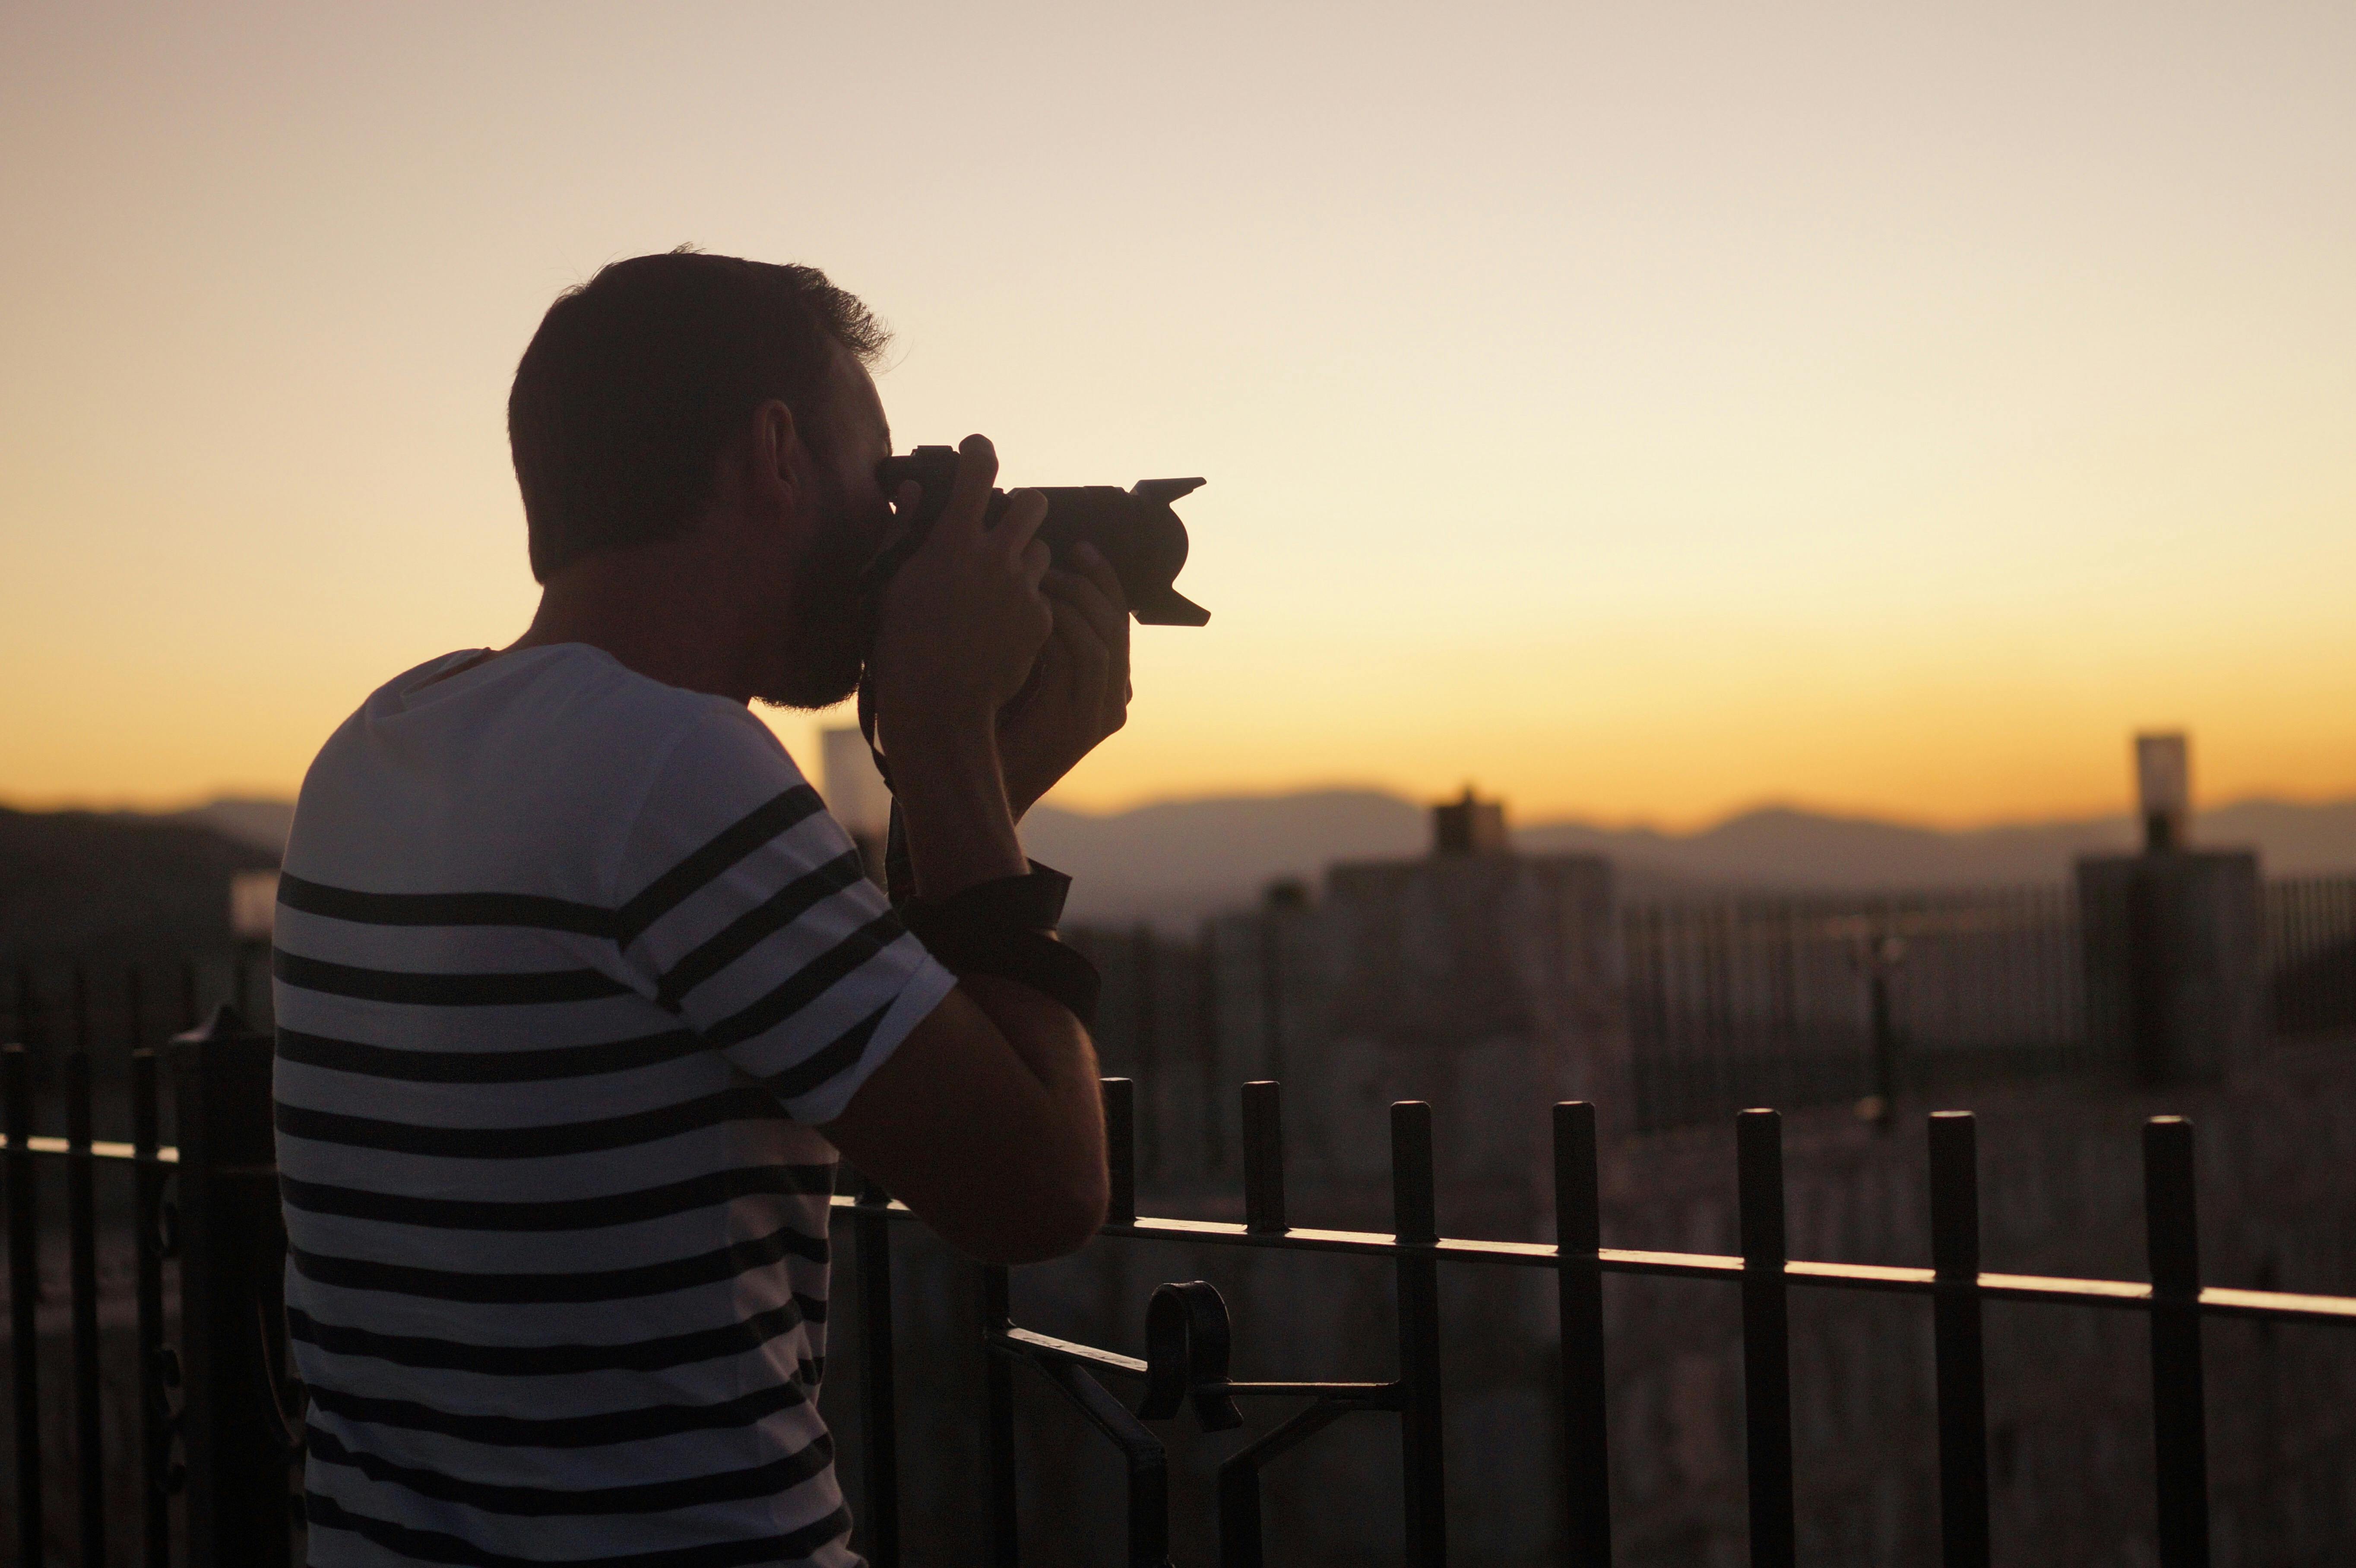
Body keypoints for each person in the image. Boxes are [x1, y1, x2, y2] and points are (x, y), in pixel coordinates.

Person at [272, 249, 1128, 1565]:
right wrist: (948, 749)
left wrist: (976, 789)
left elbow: (827, 1021)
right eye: (879, 476)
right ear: (778, 454)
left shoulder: (384, 744)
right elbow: (1040, 1190)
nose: (892, 530)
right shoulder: (673, 767)